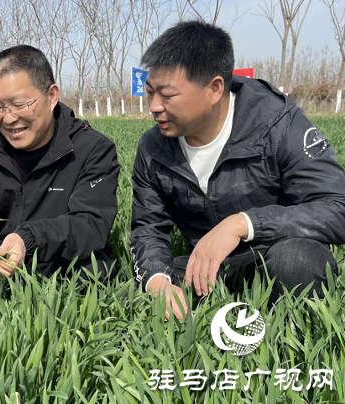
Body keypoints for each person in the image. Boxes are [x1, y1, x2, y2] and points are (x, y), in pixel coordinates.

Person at [131, 21, 345, 320]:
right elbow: (148, 228)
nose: (153, 107)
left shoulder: (278, 125)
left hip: (273, 256)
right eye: (149, 92)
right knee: (129, 291)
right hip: (205, 268)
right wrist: (157, 281)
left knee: (298, 262)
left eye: (166, 96)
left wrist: (243, 223)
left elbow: (337, 208)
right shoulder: (154, 147)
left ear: (215, 88)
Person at [0, 45, 120, 281]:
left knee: (96, 273)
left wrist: (28, 238)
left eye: (19, 104)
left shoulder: (92, 149)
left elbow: (90, 224)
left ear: (51, 96)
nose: (9, 118)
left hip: (59, 269)